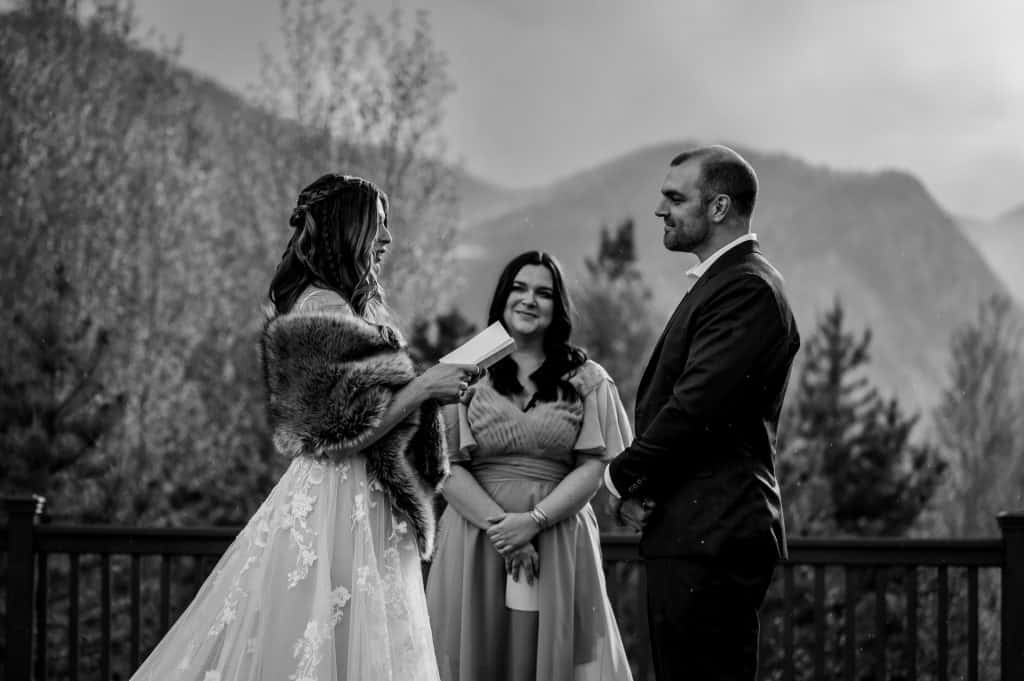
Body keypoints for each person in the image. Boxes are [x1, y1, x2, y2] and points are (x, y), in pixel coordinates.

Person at [130, 174, 477, 681]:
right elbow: (336, 437)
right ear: (346, 231)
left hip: (368, 498)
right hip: (340, 502)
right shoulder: (321, 307)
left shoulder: (349, 308)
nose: (386, 240)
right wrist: (424, 389)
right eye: (377, 225)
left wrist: (435, 388)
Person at [605, 145, 801, 681]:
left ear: (718, 208)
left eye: (674, 197)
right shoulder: (729, 283)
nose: (660, 210)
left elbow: (694, 409)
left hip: (711, 536)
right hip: (695, 531)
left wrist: (620, 476)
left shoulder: (746, 288)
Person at [426, 250, 635, 681]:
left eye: (544, 293)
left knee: (555, 655)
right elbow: (445, 465)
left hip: (557, 538)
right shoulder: (462, 370)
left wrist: (535, 522)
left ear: (557, 308)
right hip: (477, 538)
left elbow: (593, 466)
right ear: (502, 298)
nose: (529, 300)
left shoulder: (586, 377)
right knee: (475, 654)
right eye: (519, 289)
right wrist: (507, 530)